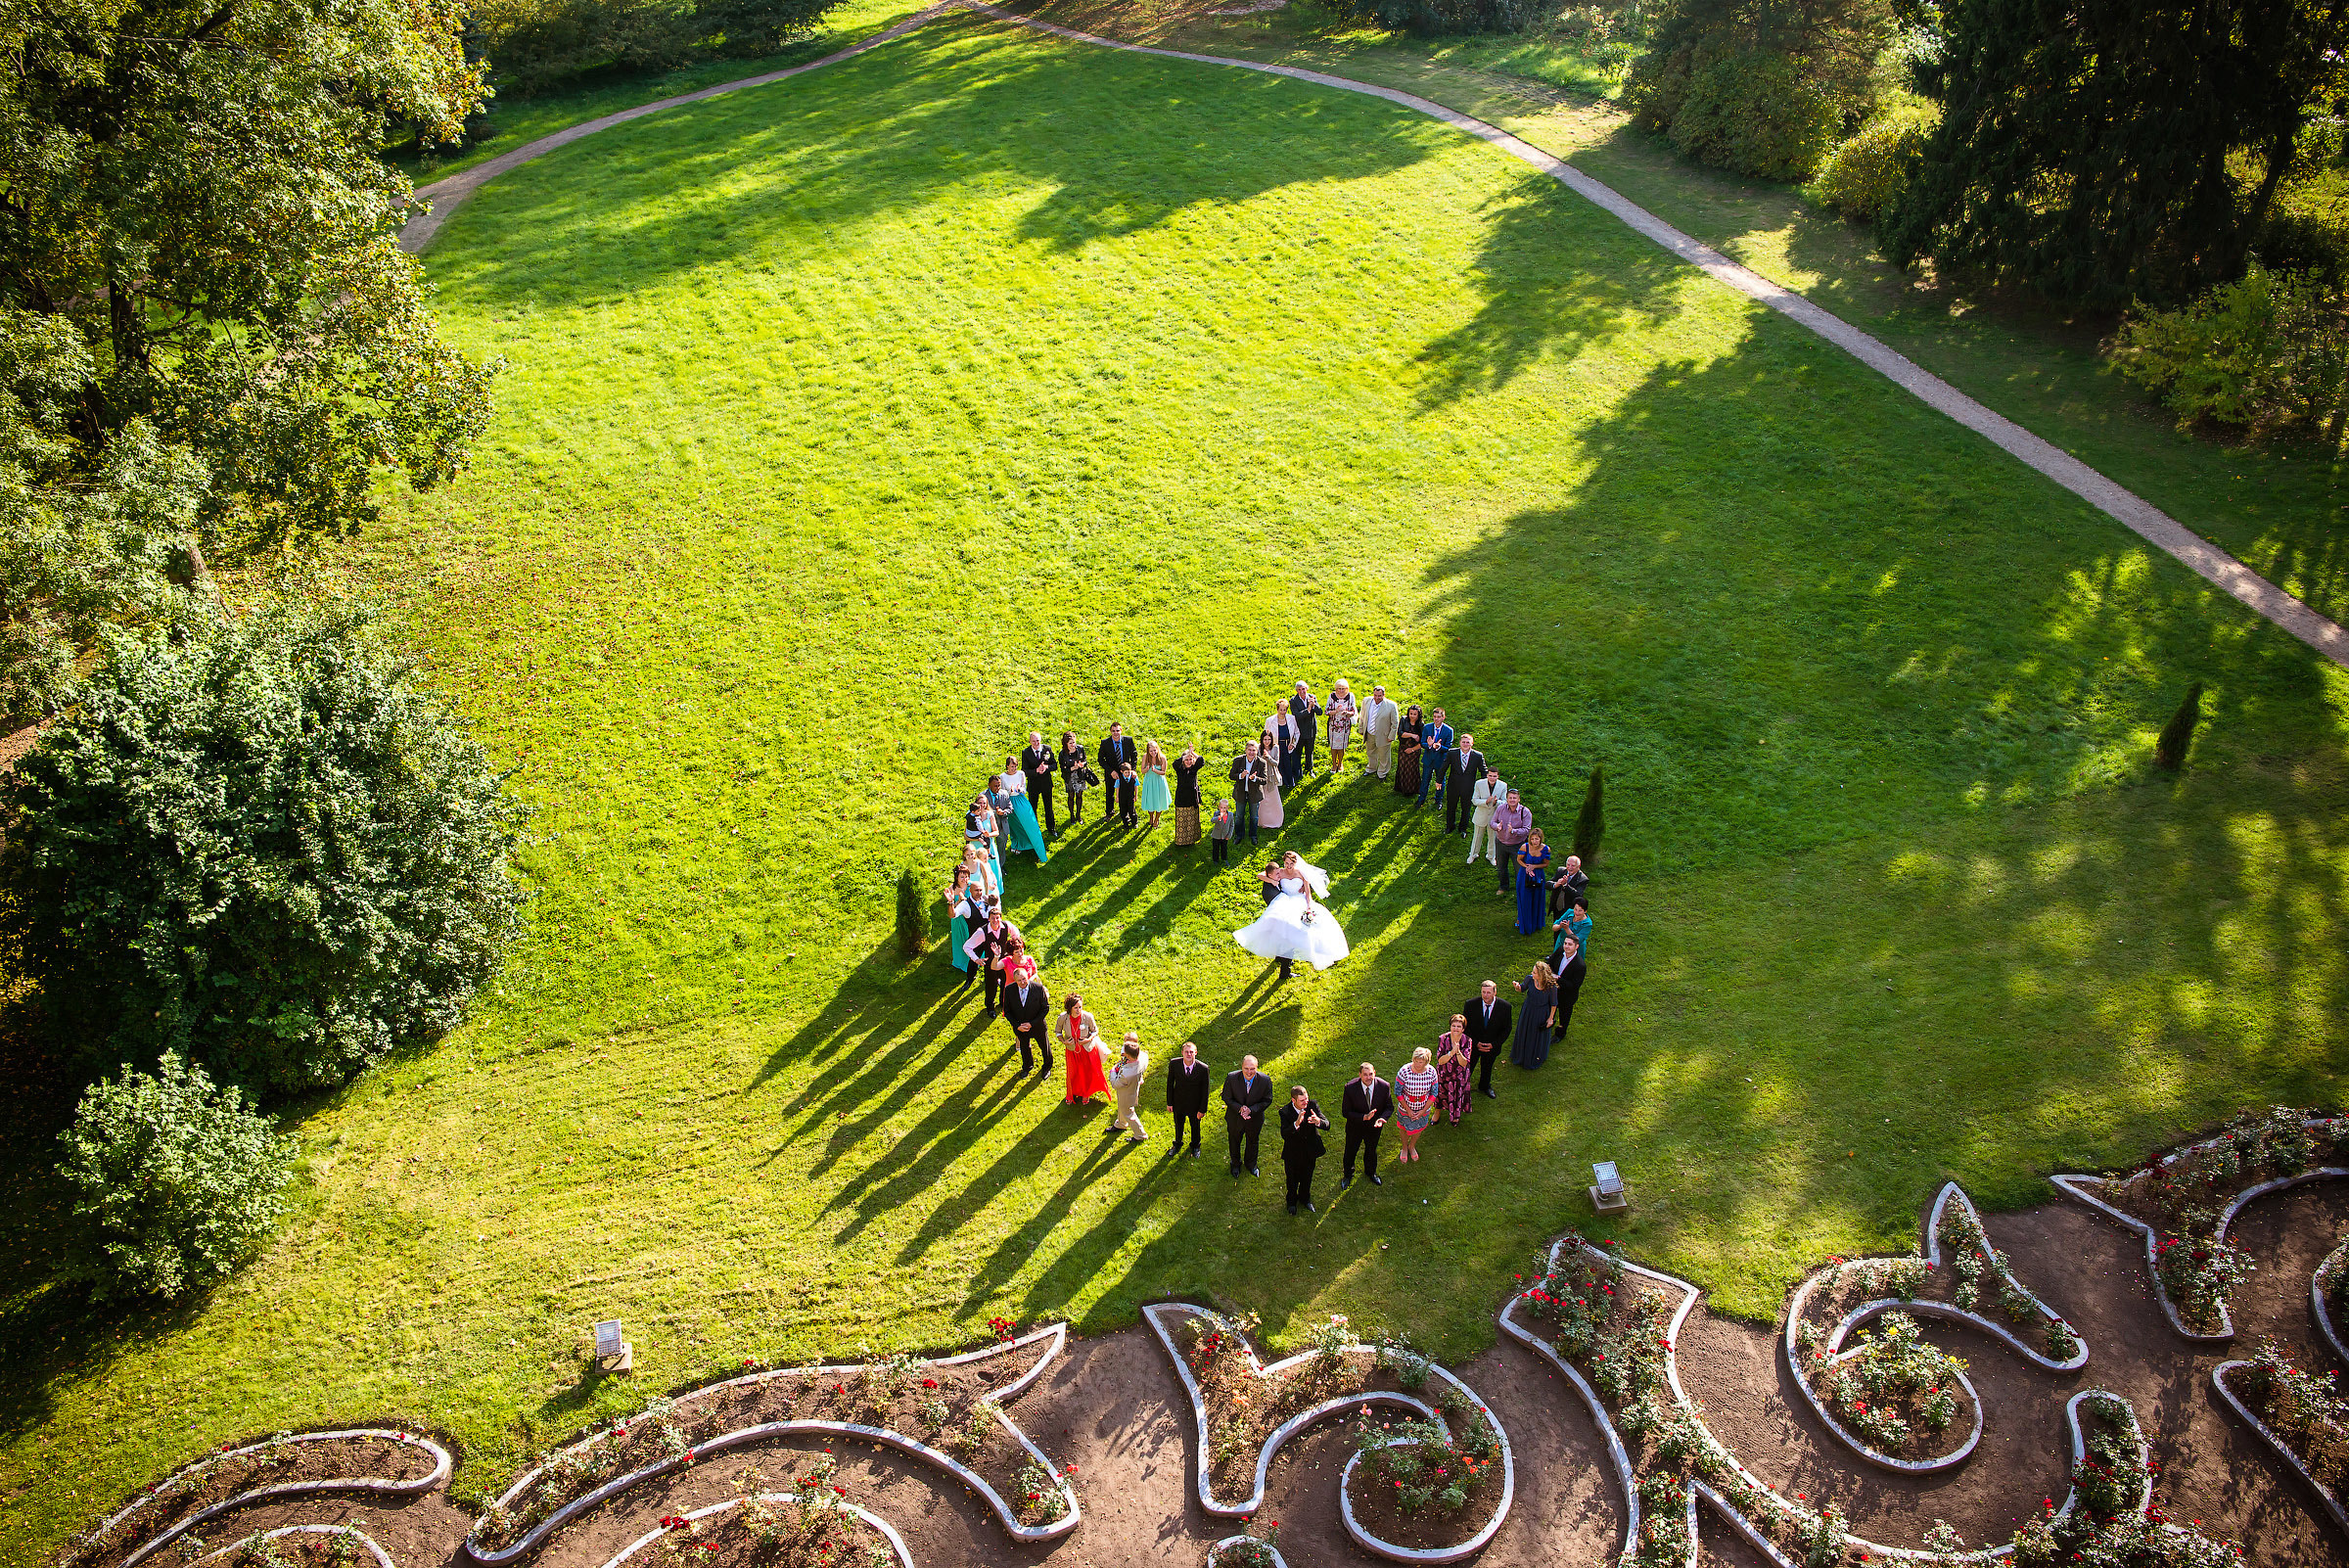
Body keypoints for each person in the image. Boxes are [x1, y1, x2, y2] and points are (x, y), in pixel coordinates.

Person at [1235, 852, 1349, 977]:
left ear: (1296, 863)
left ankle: (1284, 960)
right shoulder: (1280, 872)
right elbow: (1261, 875)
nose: (1288, 866)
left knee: (1293, 931)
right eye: (1286, 863)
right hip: (1283, 902)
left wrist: (1309, 906)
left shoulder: (1301, 873)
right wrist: (1271, 881)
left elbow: (1308, 893)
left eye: (1291, 863)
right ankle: (1284, 965)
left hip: (1299, 901)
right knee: (1282, 930)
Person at [1338, 1061, 1391, 1189]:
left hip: (1374, 1127)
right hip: (1355, 1127)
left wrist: (1382, 1119)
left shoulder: (1384, 1086)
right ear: (1360, 1075)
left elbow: (1389, 1107)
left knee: (1371, 1150)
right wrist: (1363, 1117)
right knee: (1350, 1151)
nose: (1368, 1077)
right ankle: (1348, 1175)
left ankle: (1371, 1172)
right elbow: (1346, 1112)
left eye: (1371, 1074)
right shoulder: (1350, 1088)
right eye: (1365, 1074)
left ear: (1375, 1073)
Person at [961, 905, 1022, 1015]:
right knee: (991, 986)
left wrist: (1013, 947)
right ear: (988, 919)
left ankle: (1003, 1003)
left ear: (1001, 918)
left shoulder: (1006, 926)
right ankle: (990, 1008)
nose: (995, 921)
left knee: (1006, 983)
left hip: (1005, 961)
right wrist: (976, 959)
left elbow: (1016, 934)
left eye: (997, 918)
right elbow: (967, 946)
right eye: (993, 918)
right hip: (990, 963)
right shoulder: (982, 932)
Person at [1280, 1085, 1330, 1214]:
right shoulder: (1285, 1112)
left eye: (1306, 1099)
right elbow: (1284, 1134)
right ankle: (1291, 1202)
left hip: (1310, 1151)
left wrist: (1318, 1121)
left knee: (1307, 1177)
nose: (1305, 1103)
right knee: (1292, 1180)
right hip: (1293, 1153)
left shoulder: (1312, 1105)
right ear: (1293, 1100)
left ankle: (1305, 1199)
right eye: (1302, 1101)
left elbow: (1327, 1124)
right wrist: (1296, 1124)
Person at [1223, 1054, 1273, 1176]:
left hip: (1254, 1119)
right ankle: (1235, 1164)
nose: (1249, 1072)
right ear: (1242, 1067)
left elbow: (1267, 1100)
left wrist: (1251, 1110)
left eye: (1252, 1069)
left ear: (1257, 1068)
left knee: (1253, 1142)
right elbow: (1226, 1097)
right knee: (1234, 1142)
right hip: (1235, 1118)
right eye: (1246, 1068)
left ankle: (1251, 1165)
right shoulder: (1232, 1078)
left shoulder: (1265, 1080)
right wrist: (1240, 1108)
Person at [1463, 980, 1512, 1099]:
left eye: (1488, 992)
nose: (1486, 995)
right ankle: (1463, 1087)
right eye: (1483, 992)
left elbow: (1506, 1029)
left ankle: (1485, 1086)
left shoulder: (1505, 1007)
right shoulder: (1470, 1005)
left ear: (1495, 992)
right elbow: (1465, 1027)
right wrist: (1475, 1043)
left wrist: (1494, 1044)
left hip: (1492, 1046)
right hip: (1474, 1044)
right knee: (1468, 1067)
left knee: (1487, 1066)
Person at [1002, 963, 1051, 1077]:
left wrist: (1032, 1024)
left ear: (1028, 977)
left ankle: (1047, 1067)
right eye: (1019, 980)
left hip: (1037, 1025)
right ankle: (1027, 1067)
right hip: (1020, 1027)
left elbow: (1045, 1008)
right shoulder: (1009, 990)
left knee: (1045, 1047)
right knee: (1024, 1048)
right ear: (1015, 981)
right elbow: (1007, 1011)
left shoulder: (1038, 988)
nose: (1022, 982)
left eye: (1024, 979)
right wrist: (1017, 1025)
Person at [1165, 1039, 1211, 1157]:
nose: (1189, 1054)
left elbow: (1205, 1090)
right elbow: (1170, 1084)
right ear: (1182, 1053)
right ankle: (1177, 1144)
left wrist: (1202, 1109)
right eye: (1186, 1052)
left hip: (1195, 1104)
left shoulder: (1203, 1068)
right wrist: (1169, 1102)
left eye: (1191, 1052)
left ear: (1196, 1053)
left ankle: (1195, 1146)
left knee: (1195, 1126)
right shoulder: (1174, 1064)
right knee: (1178, 1124)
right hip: (1178, 1102)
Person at [1061, 993, 1110, 1104]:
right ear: (1070, 1008)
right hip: (1072, 1050)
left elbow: (1095, 1031)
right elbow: (1058, 1032)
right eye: (1076, 1008)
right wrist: (1064, 1041)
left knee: (1086, 1072)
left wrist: (1087, 1040)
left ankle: (1086, 1094)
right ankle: (1072, 1092)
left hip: (1086, 1050)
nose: (1079, 1010)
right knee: (1073, 1072)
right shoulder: (1063, 1018)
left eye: (1080, 1007)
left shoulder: (1088, 1016)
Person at [1000, 760, 1051, 865]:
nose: (1014, 769)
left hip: (1020, 800)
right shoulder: (1002, 776)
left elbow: (1024, 788)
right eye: (1011, 767)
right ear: (1007, 766)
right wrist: (1009, 791)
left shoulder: (1021, 773)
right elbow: (1002, 791)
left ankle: (1039, 849)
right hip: (1009, 802)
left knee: (1030, 824)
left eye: (1015, 766)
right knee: (1015, 826)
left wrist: (1019, 790)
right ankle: (1019, 844)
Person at [1393, 1046, 1439, 1162]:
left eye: (1421, 1062)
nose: (1418, 1064)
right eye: (1416, 1061)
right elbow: (1398, 1092)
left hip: (1423, 1108)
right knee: (1403, 1128)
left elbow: (1434, 1093)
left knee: (1419, 1128)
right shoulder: (1404, 1071)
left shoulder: (1432, 1072)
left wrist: (1423, 1111)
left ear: (1426, 1062)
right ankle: (1404, 1147)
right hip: (1405, 1107)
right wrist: (1408, 1110)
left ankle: (1412, 1146)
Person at [1510, 962, 1559, 1069]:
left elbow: (1554, 1004)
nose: (1532, 974)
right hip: (1528, 1011)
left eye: (1535, 972)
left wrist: (1550, 1018)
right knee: (1525, 1031)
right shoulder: (1530, 979)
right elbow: (1522, 989)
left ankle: (1534, 1056)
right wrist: (1517, 987)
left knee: (1536, 1035)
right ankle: (1521, 1055)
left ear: (1542, 974)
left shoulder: (1551, 986)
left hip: (1541, 1013)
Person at [1492, 789, 1534, 897]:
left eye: (1514, 798)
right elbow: (1492, 822)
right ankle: (1503, 887)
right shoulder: (1501, 808)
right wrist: (1497, 826)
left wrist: (1513, 831)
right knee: (1501, 867)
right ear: (1507, 798)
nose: (1512, 800)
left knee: (1519, 869)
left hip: (1517, 845)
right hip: (1501, 843)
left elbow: (1526, 830)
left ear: (1519, 799)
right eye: (1510, 798)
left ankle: (1520, 890)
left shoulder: (1525, 812)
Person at [1110, 1036, 1150, 1144]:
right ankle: (1121, 1124)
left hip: (1127, 1092)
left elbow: (1115, 1083)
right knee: (1122, 1107)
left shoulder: (1128, 1073)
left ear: (1128, 1055)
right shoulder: (1142, 1057)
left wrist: (1113, 1071)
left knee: (1128, 1112)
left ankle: (1140, 1134)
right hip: (1133, 1087)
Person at [1445, 734, 1488, 836]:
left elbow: (1483, 771)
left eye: (1468, 742)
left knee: (1466, 808)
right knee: (1451, 807)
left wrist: (1484, 786)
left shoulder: (1477, 756)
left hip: (1468, 787)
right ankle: (1450, 826)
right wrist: (1438, 780)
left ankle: (1463, 829)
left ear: (1471, 743)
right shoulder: (1452, 753)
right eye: (1463, 742)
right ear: (1460, 743)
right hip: (1453, 786)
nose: (1465, 744)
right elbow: (1444, 766)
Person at [944, 864, 979, 988]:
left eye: (967, 876)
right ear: (957, 877)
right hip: (958, 919)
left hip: (970, 918)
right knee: (960, 939)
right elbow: (952, 908)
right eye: (962, 876)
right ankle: (962, 961)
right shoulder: (952, 888)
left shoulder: (972, 886)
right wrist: (959, 901)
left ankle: (974, 959)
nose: (965, 879)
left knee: (971, 938)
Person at [1099, 724, 1139, 829]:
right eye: (1113, 731)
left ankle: (1129, 812)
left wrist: (1133, 770)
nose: (1116, 733)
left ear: (1121, 730)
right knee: (1110, 792)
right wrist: (1111, 771)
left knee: (1128, 793)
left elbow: (1134, 755)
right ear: (1110, 731)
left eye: (1117, 730)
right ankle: (1109, 812)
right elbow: (1101, 760)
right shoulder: (1105, 743)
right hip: (1112, 773)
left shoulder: (1128, 740)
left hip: (1126, 772)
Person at [1020, 732, 1059, 839]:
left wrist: (1046, 767)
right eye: (1034, 741)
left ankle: (1051, 828)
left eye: (1038, 740)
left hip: (1046, 783)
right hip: (1034, 785)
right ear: (1030, 741)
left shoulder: (1047, 749)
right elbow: (1024, 771)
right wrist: (1036, 771)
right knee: (1033, 807)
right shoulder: (1026, 752)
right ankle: (1034, 829)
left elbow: (1055, 765)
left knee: (1048, 807)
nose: (1036, 743)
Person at [1434, 1019, 1474, 1125]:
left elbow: (1464, 1063)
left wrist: (1458, 1052)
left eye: (1459, 1026)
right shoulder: (1443, 1038)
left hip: (1459, 1075)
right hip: (1444, 1073)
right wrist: (1452, 1052)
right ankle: (1437, 1112)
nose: (1456, 1028)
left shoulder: (1467, 1040)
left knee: (1457, 1094)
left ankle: (1455, 1115)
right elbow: (1441, 1061)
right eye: (1453, 1026)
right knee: (1440, 1094)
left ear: (1463, 1029)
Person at [1515, 827, 1553, 935]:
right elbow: (1519, 859)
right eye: (1532, 839)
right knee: (1524, 898)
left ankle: (1536, 922)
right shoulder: (1524, 847)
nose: (1534, 841)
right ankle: (1524, 922)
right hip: (1524, 875)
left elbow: (1546, 864)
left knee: (1537, 898)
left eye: (1537, 839)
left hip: (1538, 875)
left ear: (1541, 839)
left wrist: (1534, 867)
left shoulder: (1546, 849)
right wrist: (1527, 867)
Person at [1228, 743, 1266, 849]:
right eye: (1249, 750)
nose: (1251, 752)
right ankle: (1239, 835)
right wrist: (1241, 776)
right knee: (1239, 816)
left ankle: (1253, 835)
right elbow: (1231, 775)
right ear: (1245, 750)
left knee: (1254, 817)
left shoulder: (1261, 763)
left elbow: (1264, 780)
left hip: (1254, 794)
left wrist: (1255, 778)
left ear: (1257, 751)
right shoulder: (1238, 760)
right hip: (1241, 792)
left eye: (1254, 750)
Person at [1468, 769, 1506, 866]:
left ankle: (1491, 856)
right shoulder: (1479, 783)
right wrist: (1485, 802)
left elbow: (1505, 802)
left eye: (1494, 776)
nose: (1492, 778)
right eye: (1490, 776)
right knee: (1477, 837)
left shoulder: (1503, 785)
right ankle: (1473, 855)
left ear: (1498, 776)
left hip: (1494, 817)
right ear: (1487, 775)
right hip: (1481, 815)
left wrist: (1496, 803)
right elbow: (1474, 800)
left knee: (1493, 838)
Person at [1360, 685, 1400, 779]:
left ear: (1384, 695)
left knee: (1384, 756)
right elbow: (1362, 716)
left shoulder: (1391, 705)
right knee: (1370, 752)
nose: (1377, 698)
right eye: (1375, 695)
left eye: (1379, 696)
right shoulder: (1366, 701)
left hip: (1384, 735)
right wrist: (1362, 729)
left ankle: (1382, 773)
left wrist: (1391, 735)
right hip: (1370, 733)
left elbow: (1395, 722)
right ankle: (1371, 768)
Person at [1418, 709, 1454, 807]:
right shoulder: (1427, 727)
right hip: (1428, 759)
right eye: (1434, 717)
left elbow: (1448, 747)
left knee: (1440, 781)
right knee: (1425, 780)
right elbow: (1422, 743)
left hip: (1440, 760)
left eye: (1439, 717)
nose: (1436, 719)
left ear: (1443, 717)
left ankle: (1438, 801)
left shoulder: (1449, 730)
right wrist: (1429, 745)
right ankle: (1421, 799)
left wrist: (1439, 747)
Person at [1173, 745, 1205, 848]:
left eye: (1191, 759)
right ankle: (1181, 842)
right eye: (1187, 759)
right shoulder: (1179, 769)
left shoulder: (1194, 769)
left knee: (1192, 820)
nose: (1189, 761)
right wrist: (1186, 755)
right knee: (1182, 821)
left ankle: (1191, 840)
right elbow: (1174, 763)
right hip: (1182, 799)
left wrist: (1192, 753)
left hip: (1192, 799)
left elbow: (1201, 761)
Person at [1255, 728, 1286, 832]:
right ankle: (1263, 821)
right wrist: (1262, 757)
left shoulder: (1275, 747)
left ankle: (1275, 820)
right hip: (1263, 775)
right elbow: (1257, 762)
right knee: (1263, 800)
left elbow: (1276, 763)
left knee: (1273, 799)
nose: (1267, 742)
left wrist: (1268, 757)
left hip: (1272, 776)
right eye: (1265, 739)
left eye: (1269, 739)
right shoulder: (1259, 748)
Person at [1290, 682, 1323, 779]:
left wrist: (1314, 705)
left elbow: (1320, 712)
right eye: (1299, 690)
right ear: (1297, 691)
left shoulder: (1312, 697)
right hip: (1299, 731)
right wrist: (1308, 709)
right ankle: (1297, 771)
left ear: (1307, 689)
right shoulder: (1293, 700)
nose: (1302, 691)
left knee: (1309, 751)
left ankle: (1309, 769)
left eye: (1303, 689)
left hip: (1310, 730)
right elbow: (1297, 715)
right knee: (1297, 752)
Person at [1137, 741, 1173, 830]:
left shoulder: (1162, 758)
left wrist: (1155, 770)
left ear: (1157, 749)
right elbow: (1142, 771)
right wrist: (1148, 768)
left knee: (1159, 801)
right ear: (1148, 751)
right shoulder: (1145, 757)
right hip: (1149, 781)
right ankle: (1151, 817)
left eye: (1155, 750)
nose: (1153, 753)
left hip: (1159, 782)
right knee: (1150, 800)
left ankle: (1157, 819)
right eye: (1151, 751)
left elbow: (1163, 772)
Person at [1059, 730, 1091, 826]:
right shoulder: (1062, 754)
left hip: (1080, 776)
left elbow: (1085, 761)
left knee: (1079, 796)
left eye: (1074, 742)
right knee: (1071, 796)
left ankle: (1078, 814)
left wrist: (1082, 764)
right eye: (1070, 743)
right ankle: (1072, 815)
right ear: (1066, 743)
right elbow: (1062, 768)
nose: (1073, 745)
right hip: (1069, 777)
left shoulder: (1080, 749)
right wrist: (1072, 768)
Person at [1269, 698, 1303, 789]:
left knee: (1288, 764)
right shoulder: (1270, 720)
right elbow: (1266, 734)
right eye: (1281, 710)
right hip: (1276, 746)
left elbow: (1296, 732)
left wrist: (1293, 744)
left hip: (1288, 745)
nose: (1282, 712)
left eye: (1284, 710)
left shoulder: (1291, 718)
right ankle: (1280, 782)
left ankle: (1289, 782)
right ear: (1277, 709)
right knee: (1278, 764)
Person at [1392, 704, 1424, 799]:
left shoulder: (1421, 725)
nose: (1412, 716)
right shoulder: (1404, 720)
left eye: (1415, 714)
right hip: (1403, 748)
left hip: (1414, 750)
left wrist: (1413, 749)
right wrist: (1412, 735)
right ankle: (1400, 788)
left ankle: (1411, 790)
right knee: (1402, 767)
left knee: (1412, 769)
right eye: (1411, 713)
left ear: (1418, 715)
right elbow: (1400, 733)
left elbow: (1422, 741)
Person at [1325, 681, 1357, 775]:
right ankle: (1334, 764)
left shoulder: (1350, 696)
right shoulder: (1331, 697)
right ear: (1336, 689)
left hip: (1344, 726)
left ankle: (1340, 763)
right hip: (1333, 726)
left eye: (1343, 688)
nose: (1341, 690)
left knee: (1342, 746)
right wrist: (1336, 711)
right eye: (1339, 688)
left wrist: (1346, 712)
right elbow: (1327, 711)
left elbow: (1353, 711)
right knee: (1334, 746)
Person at [1209, 798, 1235, 864]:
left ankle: (1224, 859)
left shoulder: (1231, 815)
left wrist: (1229, 835)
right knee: (1215, 848)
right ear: (1218, 807)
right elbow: (1212, 820)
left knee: (1224, 848)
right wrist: (1219, 817)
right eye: (1221, 807)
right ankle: (1215, 860)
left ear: (1227, 808)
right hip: (1216, 835)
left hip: (1225, 836)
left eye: (1224, 808)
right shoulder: (1217, 813)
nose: (1222, 809)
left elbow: (1232, 825)